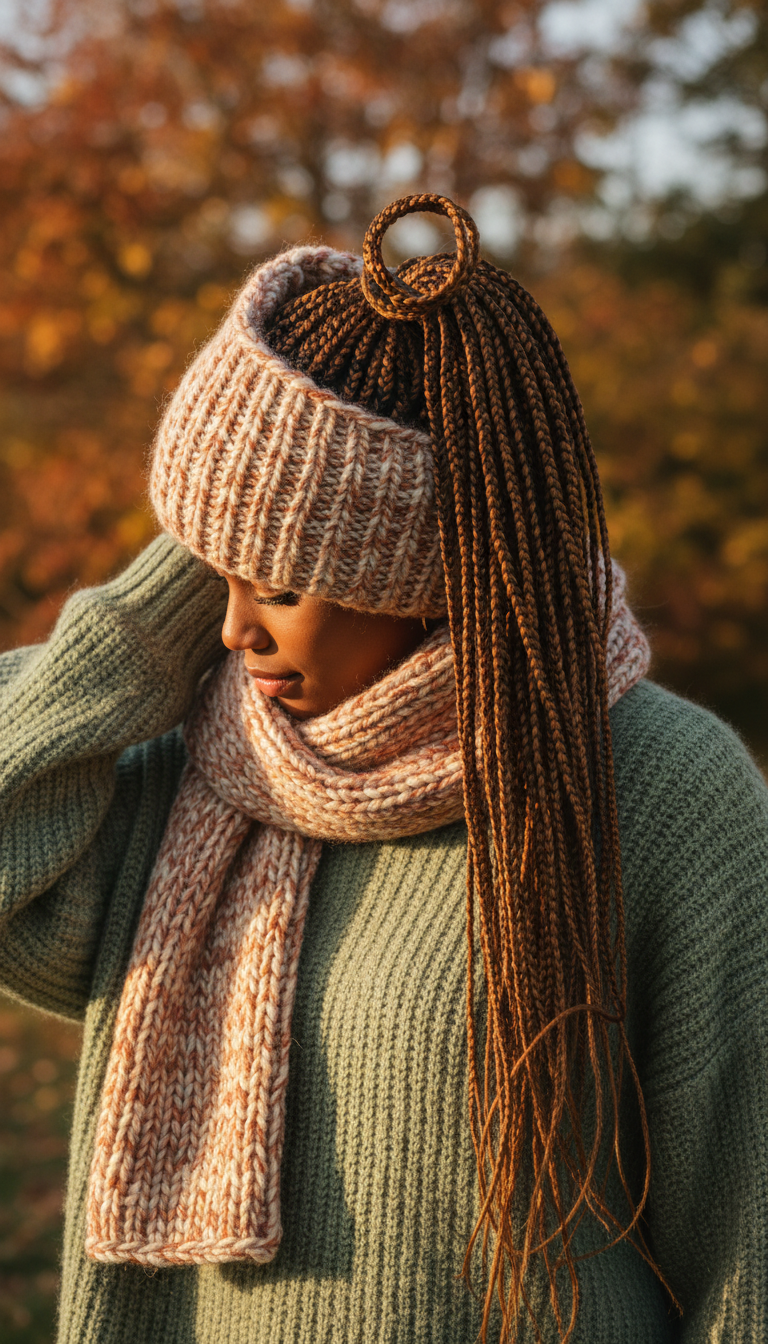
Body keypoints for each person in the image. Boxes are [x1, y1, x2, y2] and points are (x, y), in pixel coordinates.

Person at [0, 192, 766, 1344]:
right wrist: (186, 578)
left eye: (282, 585)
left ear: (419, 575)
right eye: (215, 572)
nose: (231, 629)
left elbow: (748, 1237)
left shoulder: (652, 784)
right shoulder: (192, 775)